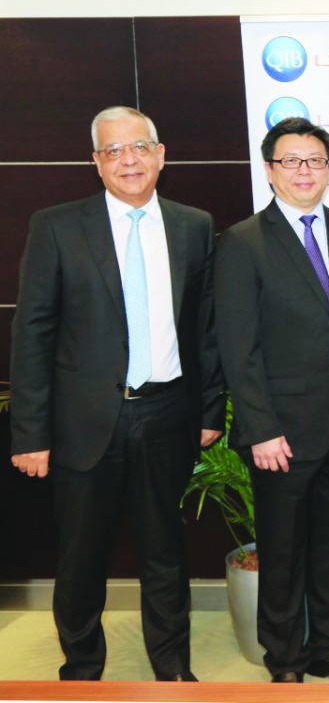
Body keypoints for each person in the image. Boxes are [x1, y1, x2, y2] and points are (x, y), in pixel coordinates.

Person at [9, 106, 224, 681]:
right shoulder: (56, 226)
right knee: (81, 556)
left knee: (165, 552)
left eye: (138, 148)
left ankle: (172, 667)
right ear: (96, 163)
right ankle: (82, 665)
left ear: (160, 155)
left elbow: (204, 329)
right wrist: (30, 433)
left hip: (166, 414)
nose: (128, 160)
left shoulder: (194, 224)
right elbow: (32, 334)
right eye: (112, 151)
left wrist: (208, 412)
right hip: (84, 421)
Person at [215, 117, 329, 683]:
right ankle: (286, 659)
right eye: (290, 161)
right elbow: (236, 347)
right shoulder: (243, 242)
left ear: (328, 168)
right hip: (282, 434)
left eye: (314, 160)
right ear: (270, 170)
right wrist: (260, 428)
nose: (303, 171)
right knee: (283, 551)